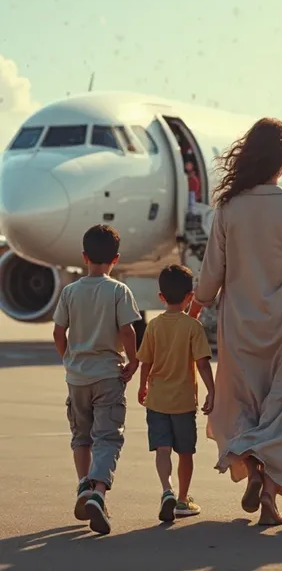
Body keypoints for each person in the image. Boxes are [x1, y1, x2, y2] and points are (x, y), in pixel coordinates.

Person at [189, 117, 282, 526]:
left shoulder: (228, 208)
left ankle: (251, 466)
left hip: (240, 326)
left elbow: (212, 271)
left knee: (244, 405)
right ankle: (270, 493)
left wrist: (195, 309)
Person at [52, 224, 141, 535]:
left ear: (83, 257)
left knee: (81, 436)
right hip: (108, 374)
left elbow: (58, 332)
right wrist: (134, 361)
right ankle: (98, 493)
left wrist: (68, 358)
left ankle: (83, 486)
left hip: (77, 378)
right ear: (115, 259)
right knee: (108, 437)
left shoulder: (69, 292)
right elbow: (128, 330)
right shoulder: (118, 291)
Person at [137, 264, 215, 522]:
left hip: (157, 400)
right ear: (190, 296)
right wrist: (211, 391)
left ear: (160, 297)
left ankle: (166, 490)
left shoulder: (154, 326)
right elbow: (202, 363)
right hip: (183, 402)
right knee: (185, 452)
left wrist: (142, 385)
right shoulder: (193, 327)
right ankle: (183, 498)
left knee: (162, 449)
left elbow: (145, 361)